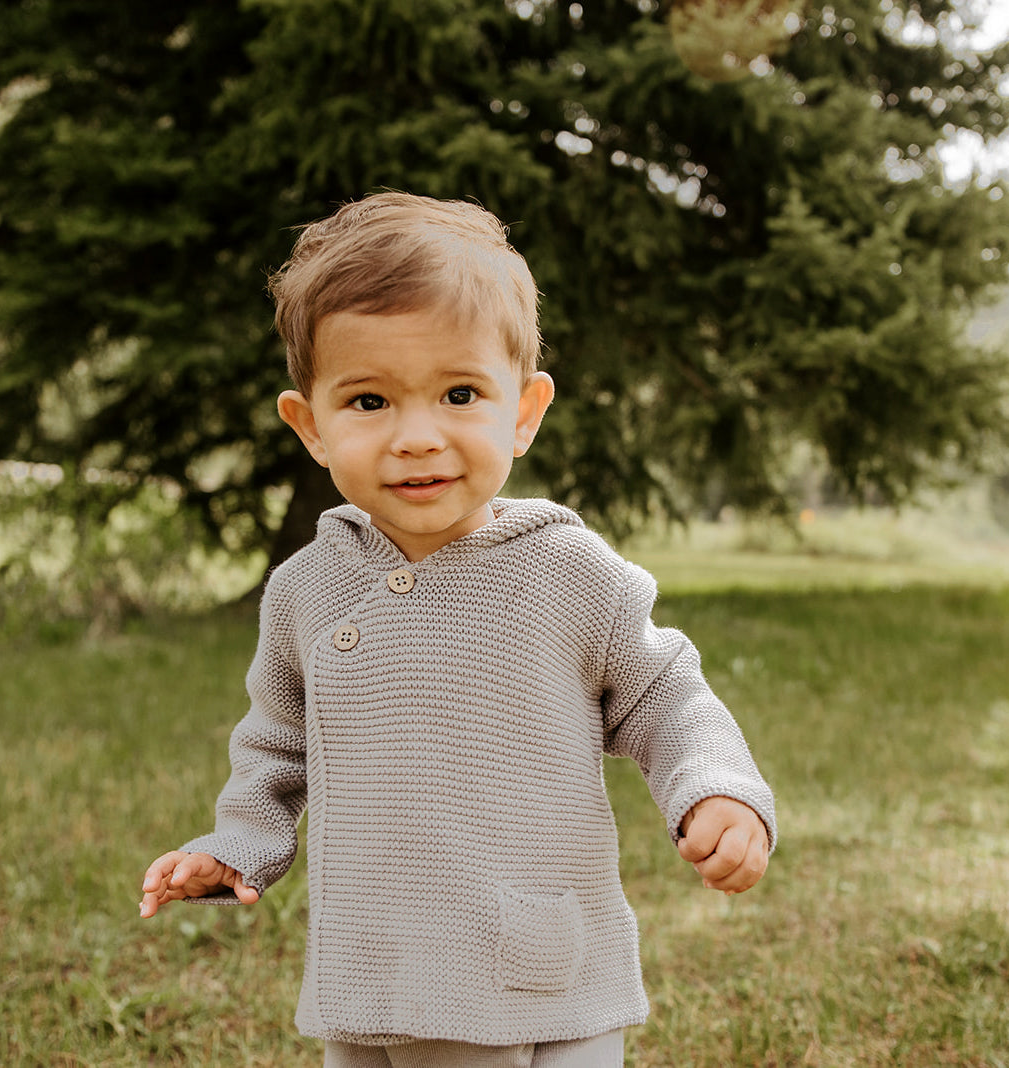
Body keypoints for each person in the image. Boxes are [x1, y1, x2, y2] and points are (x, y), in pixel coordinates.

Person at [139, 192, 776, 1068]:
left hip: (536, 961)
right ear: (310, 424)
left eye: (460, 393)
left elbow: (665, 693)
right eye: (368, 401)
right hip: (376, 970)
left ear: (523, 410)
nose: (416, 437)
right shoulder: (305, 590)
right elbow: (277, 750)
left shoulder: (565, 570)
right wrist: (235, 846)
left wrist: (715, 789)